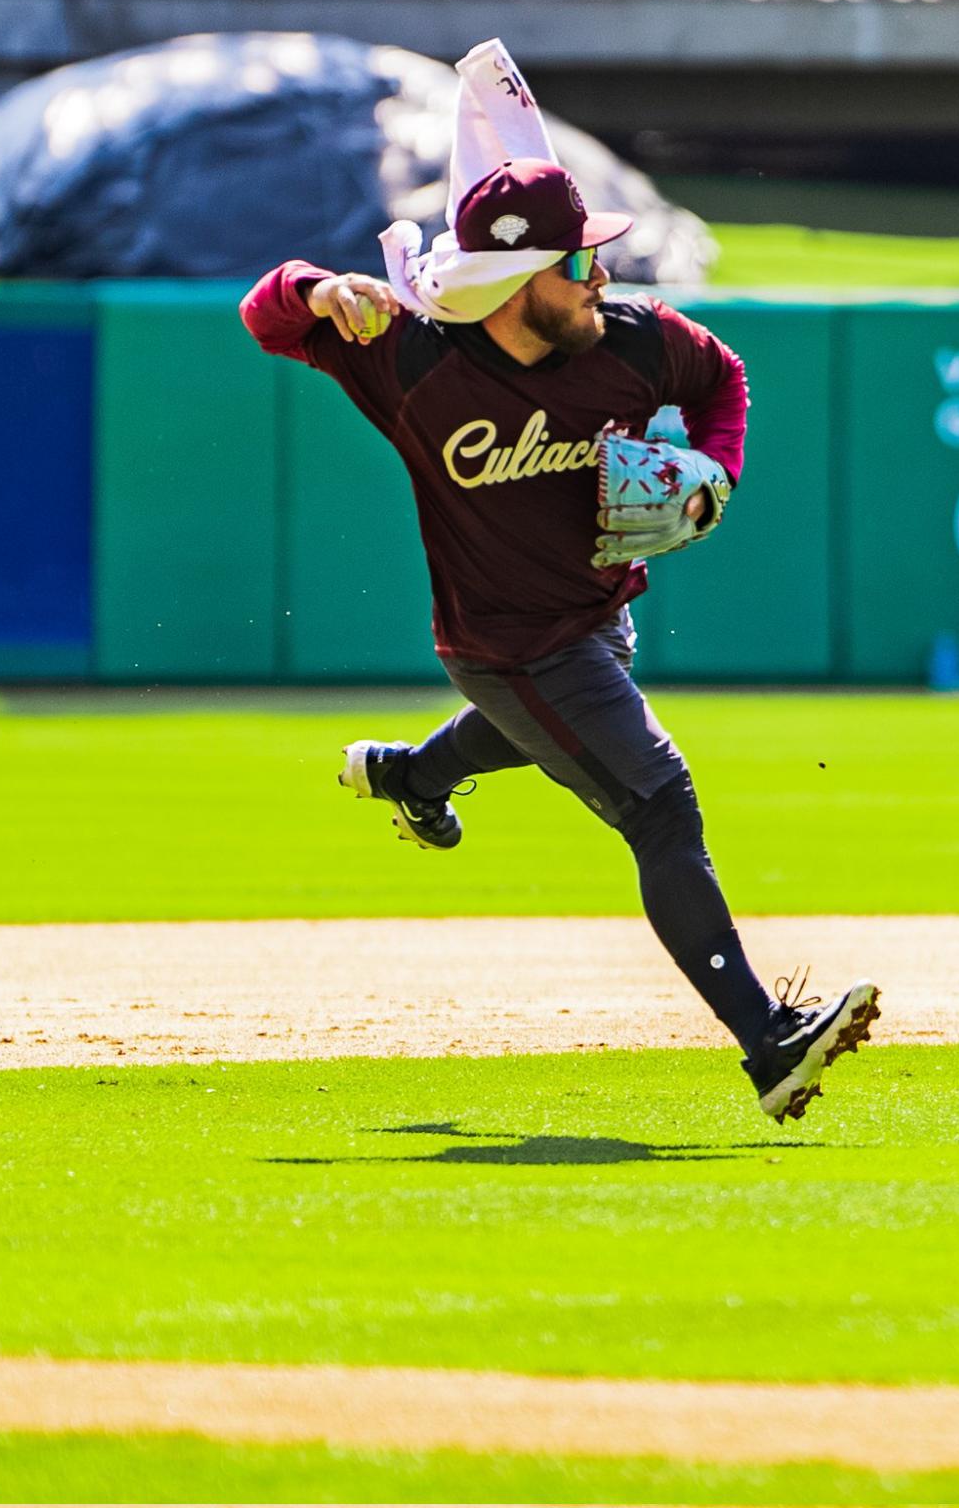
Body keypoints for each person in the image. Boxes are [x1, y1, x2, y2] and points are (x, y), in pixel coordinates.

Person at [240, 157, 877, 1123]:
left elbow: (723, 379)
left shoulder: (632, 340)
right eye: (578, 260)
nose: (600, 276)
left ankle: (414, 776)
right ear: (513, 275)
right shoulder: (411, 357)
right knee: (660, 804)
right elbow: (265, 317)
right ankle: (768, 1042)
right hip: (504, 643)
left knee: (548, 732)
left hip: (597, 618)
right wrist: (320, 290)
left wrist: (717, 470)